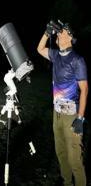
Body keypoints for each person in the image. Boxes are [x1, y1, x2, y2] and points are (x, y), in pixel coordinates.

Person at [37, 21, 88, 186]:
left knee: (75, 160)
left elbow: (85, 89)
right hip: (56, 115)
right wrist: (47, 32)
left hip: (71, 116)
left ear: (70, 38)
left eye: (63, 31)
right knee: (61, 154)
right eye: (58, 32)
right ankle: (67, 183)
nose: (59, 33)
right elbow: (39, 49)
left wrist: (80, 118)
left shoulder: (77, 60)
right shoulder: (55, 55)